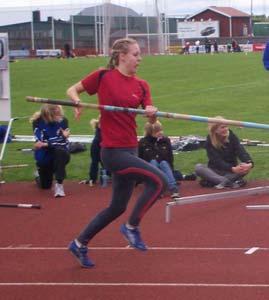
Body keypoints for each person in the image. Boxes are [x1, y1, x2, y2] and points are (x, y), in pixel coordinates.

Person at [66, 38, 167, 268]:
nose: (139, 59)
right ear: (122, 55)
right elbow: (73, 89)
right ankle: (131, 227)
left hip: (130, 147)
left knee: (117, 206)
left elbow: (151, 116)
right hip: (112, 151)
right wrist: (77, 101)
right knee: (159, 182)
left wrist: (152, 113)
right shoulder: (103, 76)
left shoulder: (142, 85)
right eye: (135, 54)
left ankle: (79, 243)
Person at [195, 117, 254, 189]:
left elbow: (241, 151)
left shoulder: (232, 136)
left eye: (226, 126)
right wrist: (232, 168)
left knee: (245, 169)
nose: (226, 129)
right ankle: (228, 182)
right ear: (215, 130)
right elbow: (216, 160)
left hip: (231, 171)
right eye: (222, 127)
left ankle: (216, 182)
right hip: (215, 171)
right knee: (199, 167)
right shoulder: (209, 141)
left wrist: (249, 163)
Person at [30, 104, 70, 197]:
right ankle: (38, 175)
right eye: (57, 114)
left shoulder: (64, 121)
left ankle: (59, 185)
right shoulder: (37, 122)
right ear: (49, 115)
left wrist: (47, 143)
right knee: (45, 186)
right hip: (45, 155)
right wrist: (60, 137)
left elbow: (62, 142)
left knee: (60, 152)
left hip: (60, 152)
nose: (60, 116)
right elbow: (40, 141)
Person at [138, 121, 180, 198]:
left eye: (161, 130)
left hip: (163, 165)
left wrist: (171, 168)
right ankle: (157, 188)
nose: (161, 132)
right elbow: (141, 158)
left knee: (163, 163)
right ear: (150, 132)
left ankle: (173, 188)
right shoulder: (143, 142)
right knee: (153, 162)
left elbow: (170, 157)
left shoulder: (165, 141)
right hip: (149, 168)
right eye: (157, 131)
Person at [79, 116, 110, 186]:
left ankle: (106, 176)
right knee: (95, 162)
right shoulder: (101, 129)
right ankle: (92, 179)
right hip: (96, 147)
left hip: (103, 147)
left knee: (106, 163)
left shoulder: (106, 128)